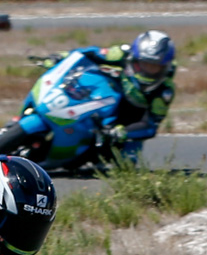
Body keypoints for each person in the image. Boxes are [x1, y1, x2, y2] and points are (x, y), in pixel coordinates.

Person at [43, 29, 176, 163]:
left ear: (165, 67)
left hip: (129, 124)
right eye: (144, 64)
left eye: (154, 67)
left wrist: (124, 132)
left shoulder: (164, 91)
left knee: (127, 162)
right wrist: (62, 57)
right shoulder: (121, 54)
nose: (148, 70)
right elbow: (90, 53)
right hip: (102, 100)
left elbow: (151, 126)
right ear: (134, 58)